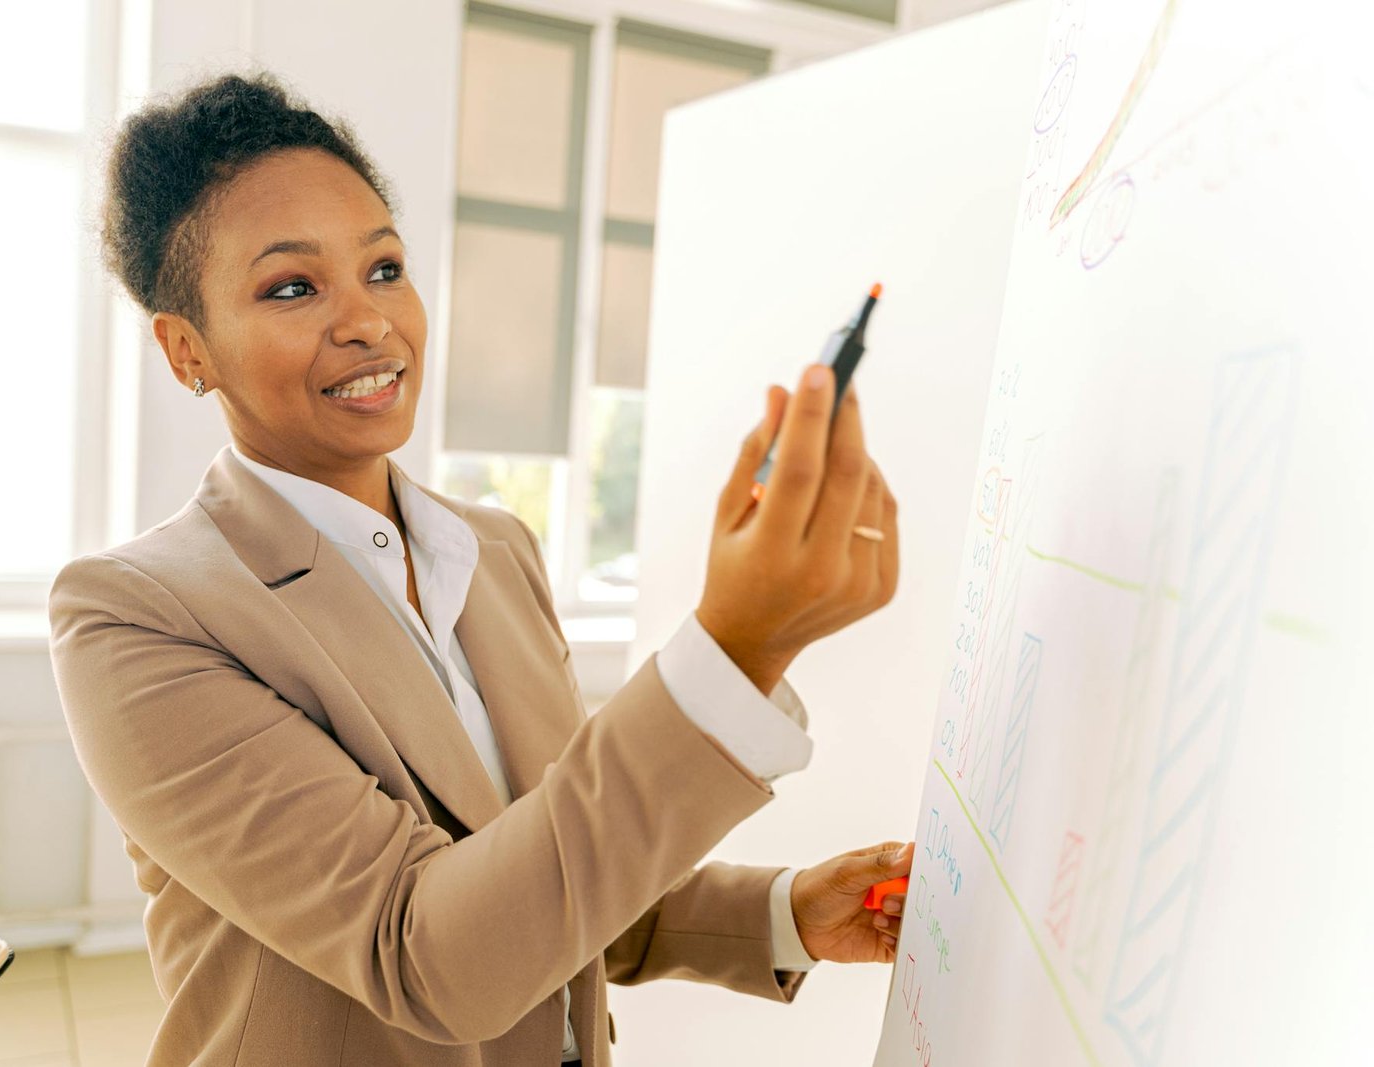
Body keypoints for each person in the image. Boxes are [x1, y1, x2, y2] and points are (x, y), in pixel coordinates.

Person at [48, 70, 911, 1067]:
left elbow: (557, 871)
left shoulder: (496, 551)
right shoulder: (134, 616)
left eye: (383, 267)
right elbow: (431, 953)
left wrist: (787, 908)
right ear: (187, 349)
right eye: (291, 287)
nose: (368, 320)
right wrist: (737, 649)